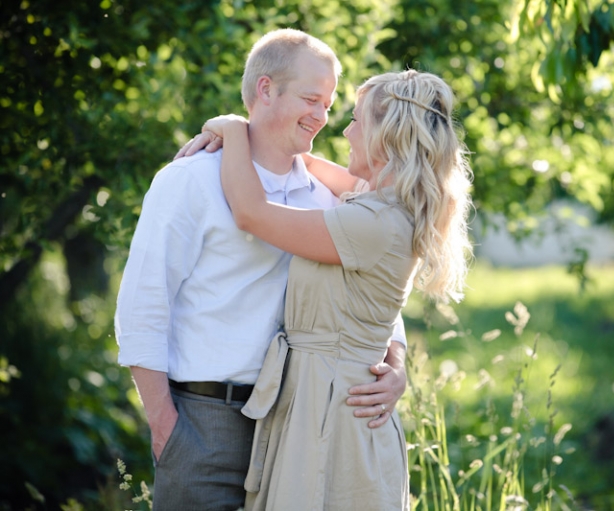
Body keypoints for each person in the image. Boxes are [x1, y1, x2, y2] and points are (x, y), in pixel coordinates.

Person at [114, 29, 408, 511]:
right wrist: (165, 426)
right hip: (206, 422)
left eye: (330, 105)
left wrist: (396, 364)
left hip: (298, 422)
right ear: (266, 89)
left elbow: (377, 293)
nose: (322, 116)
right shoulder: (190, 180)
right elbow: (142, 306)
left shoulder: (327, 196)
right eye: (311, 99)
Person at [194, 68, 473, 510]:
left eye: (357, 120)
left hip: (333, 412)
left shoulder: (373, 222)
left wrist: (231, 128)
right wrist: (261, 138)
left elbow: (250, 213)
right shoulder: (386, 204)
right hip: (324, 399)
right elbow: (305, 166)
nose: (344, 129)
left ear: (385, 135)